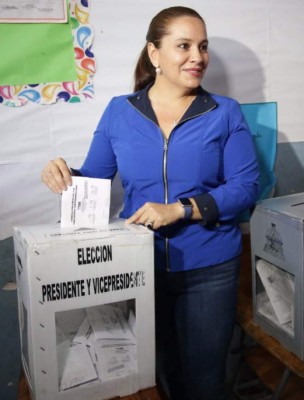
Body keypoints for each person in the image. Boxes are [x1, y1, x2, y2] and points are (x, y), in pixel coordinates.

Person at [41, 6, 259, 400]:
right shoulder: (119, 112)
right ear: (154, 54)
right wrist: (63, 175)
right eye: (184, 46)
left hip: (210, 269)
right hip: (140, 266)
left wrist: (181, 208)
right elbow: (94, 179)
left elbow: (246, 186)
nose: (198, 57)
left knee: (207, 381)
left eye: (203, 46)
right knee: (162, 375)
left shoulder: (224, 112)